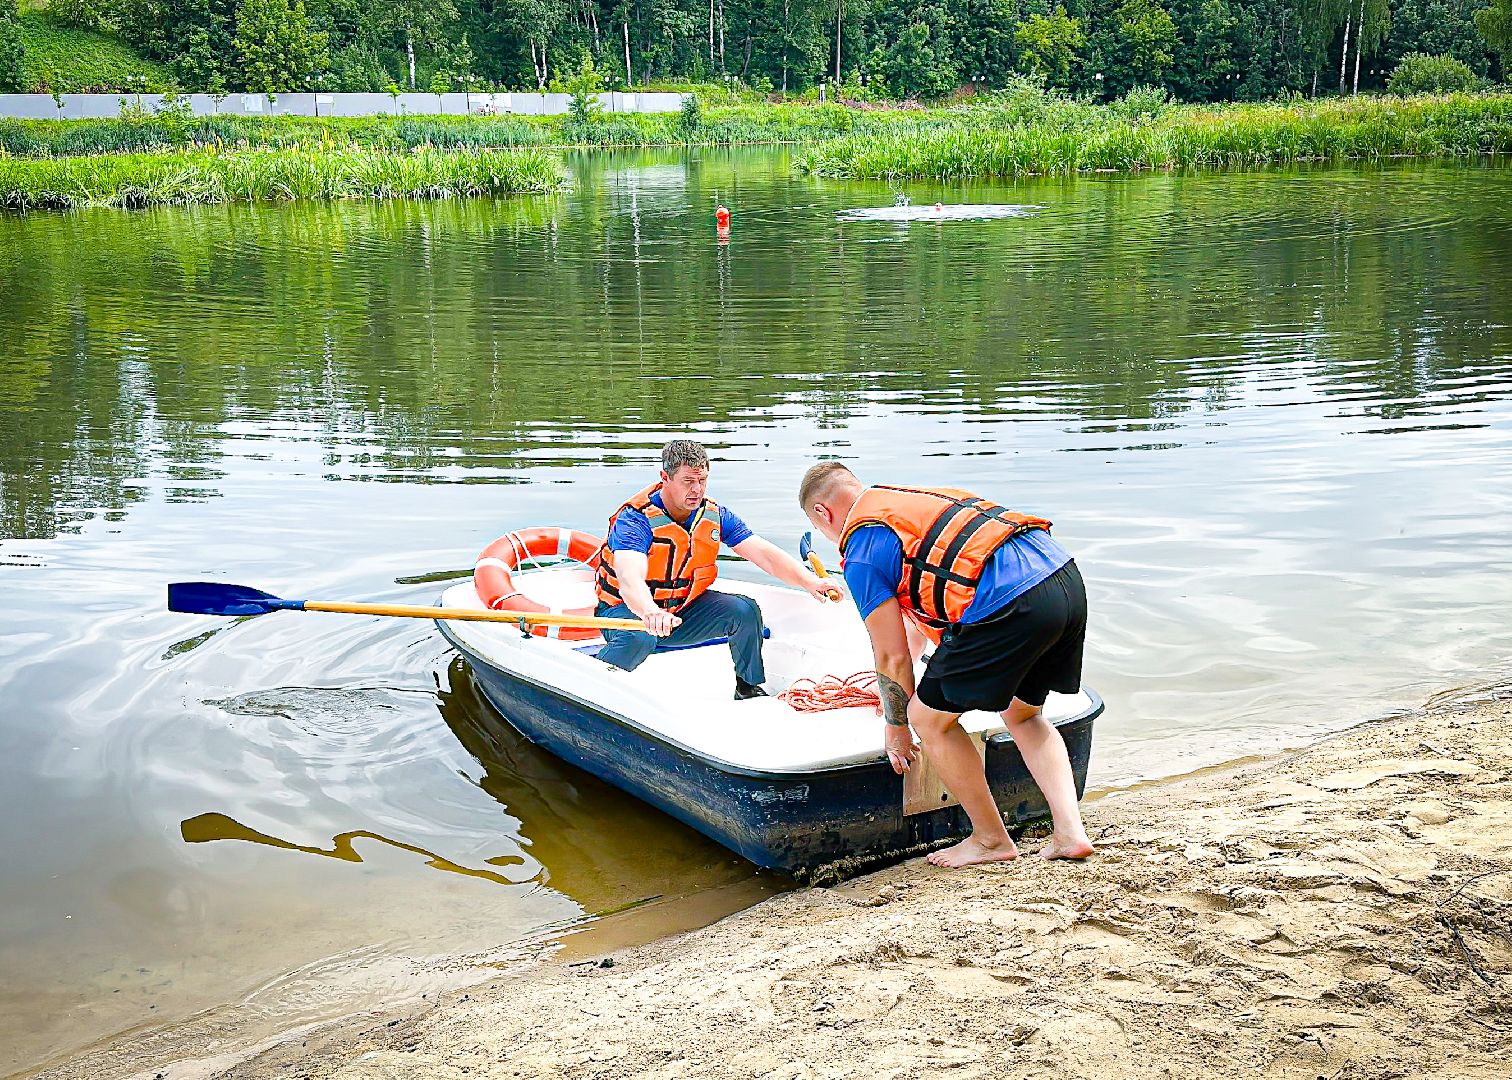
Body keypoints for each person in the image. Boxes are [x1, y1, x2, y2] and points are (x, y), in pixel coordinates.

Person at [798, 461, 1094, 867]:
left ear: (822, 513)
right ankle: (1070, 834)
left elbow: (891, 655)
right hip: (1062, 579)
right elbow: (914, 632)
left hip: (1010, 603)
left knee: (928, 720)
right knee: (1023, 714)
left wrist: (897, 726)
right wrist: (898, 688)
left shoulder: (862, 548)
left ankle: (990, 840)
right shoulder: (906, 502)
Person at [596, 440, 840, 698]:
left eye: (702, 480)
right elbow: (629, 578)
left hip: (680, 612)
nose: (697, 489)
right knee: (640, 637)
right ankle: (593, 686)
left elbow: (764, 555)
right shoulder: (635, 520)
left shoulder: (714, 515)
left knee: (744, 611)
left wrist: (809, 581)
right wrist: (650, 612)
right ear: (665, 478)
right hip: (627, 611)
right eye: (688, 481)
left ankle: (747, 688)